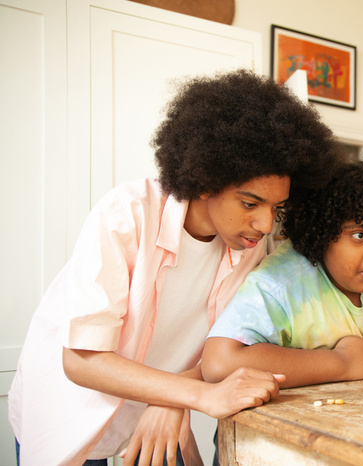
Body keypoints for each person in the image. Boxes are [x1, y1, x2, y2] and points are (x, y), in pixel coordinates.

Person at [8, 69, 344, 465]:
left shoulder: (252, 245)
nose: (266, 224)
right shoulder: (129, 214)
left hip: (154, 410)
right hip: (70, 411)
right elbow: (81, 359)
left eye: (277, 208)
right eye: (250, 204)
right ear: (205, 180)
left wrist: (175, 398)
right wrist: (197, 395)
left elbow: (230, 347)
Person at [201, 159, 363, 389]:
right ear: (322, 236)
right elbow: (219, 363)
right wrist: (342, 363)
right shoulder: (281, 282)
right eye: (359, 235)